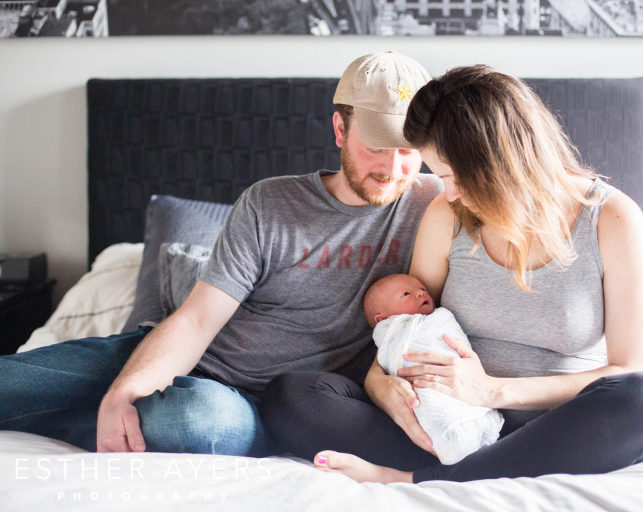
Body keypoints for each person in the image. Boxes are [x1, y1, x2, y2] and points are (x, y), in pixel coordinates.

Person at [0, 51, 442, 457]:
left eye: (407, 150)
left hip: (258, 405)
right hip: (182, 358)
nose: (392, 167)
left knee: (190, 420)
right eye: (376, 146)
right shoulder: (269, 203)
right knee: (11, 382)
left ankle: (98, 417)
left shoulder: (434, 207)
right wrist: (123, 392)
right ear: (340, 129)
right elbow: (197, 320)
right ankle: (102, 412)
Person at [260, 65, 643, 483]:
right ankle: (473, 469)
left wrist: (492, 390)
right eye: (442, 177)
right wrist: (381, 389)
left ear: (503, 162)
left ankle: (411, 480)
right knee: (292, 396)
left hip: (551, 429)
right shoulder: (448, 215)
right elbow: (405, 328)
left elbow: (629, 368)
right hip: (446, 423)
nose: (450, 193)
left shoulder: (611, 219)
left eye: (456, 177)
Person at [364, 273, 503, 464]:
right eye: (406, 294)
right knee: (425, 406)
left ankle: (464, 445)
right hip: (419, 388)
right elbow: (389, 356)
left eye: (422, 289)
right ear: (383, 320)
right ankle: (455, 448)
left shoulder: (441, 318)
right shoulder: (390, 332)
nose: (421, 293)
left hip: (466, 382)